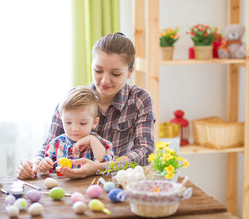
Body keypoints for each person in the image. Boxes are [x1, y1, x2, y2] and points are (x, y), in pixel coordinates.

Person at [16, 32, 155, 179]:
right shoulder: (72, 100)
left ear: (129, 72)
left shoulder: (140, 99)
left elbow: (145, 151)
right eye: (98, 70)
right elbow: (50, 145)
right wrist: (32, 164)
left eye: (115, 74)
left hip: (118, 182)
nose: (105, 80)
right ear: (91, 65)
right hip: (72, 185)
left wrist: (100, 168)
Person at [36, 86, 115, 174]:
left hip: (89, 186)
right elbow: (47, 169)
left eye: (82, 123)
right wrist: (45, 164)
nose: (74, 129)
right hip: (64, 187)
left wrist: (92, 140)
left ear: (95, 123)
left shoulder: (101, 143)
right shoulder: (56, 144)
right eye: (68, 122)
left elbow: (105, 162)